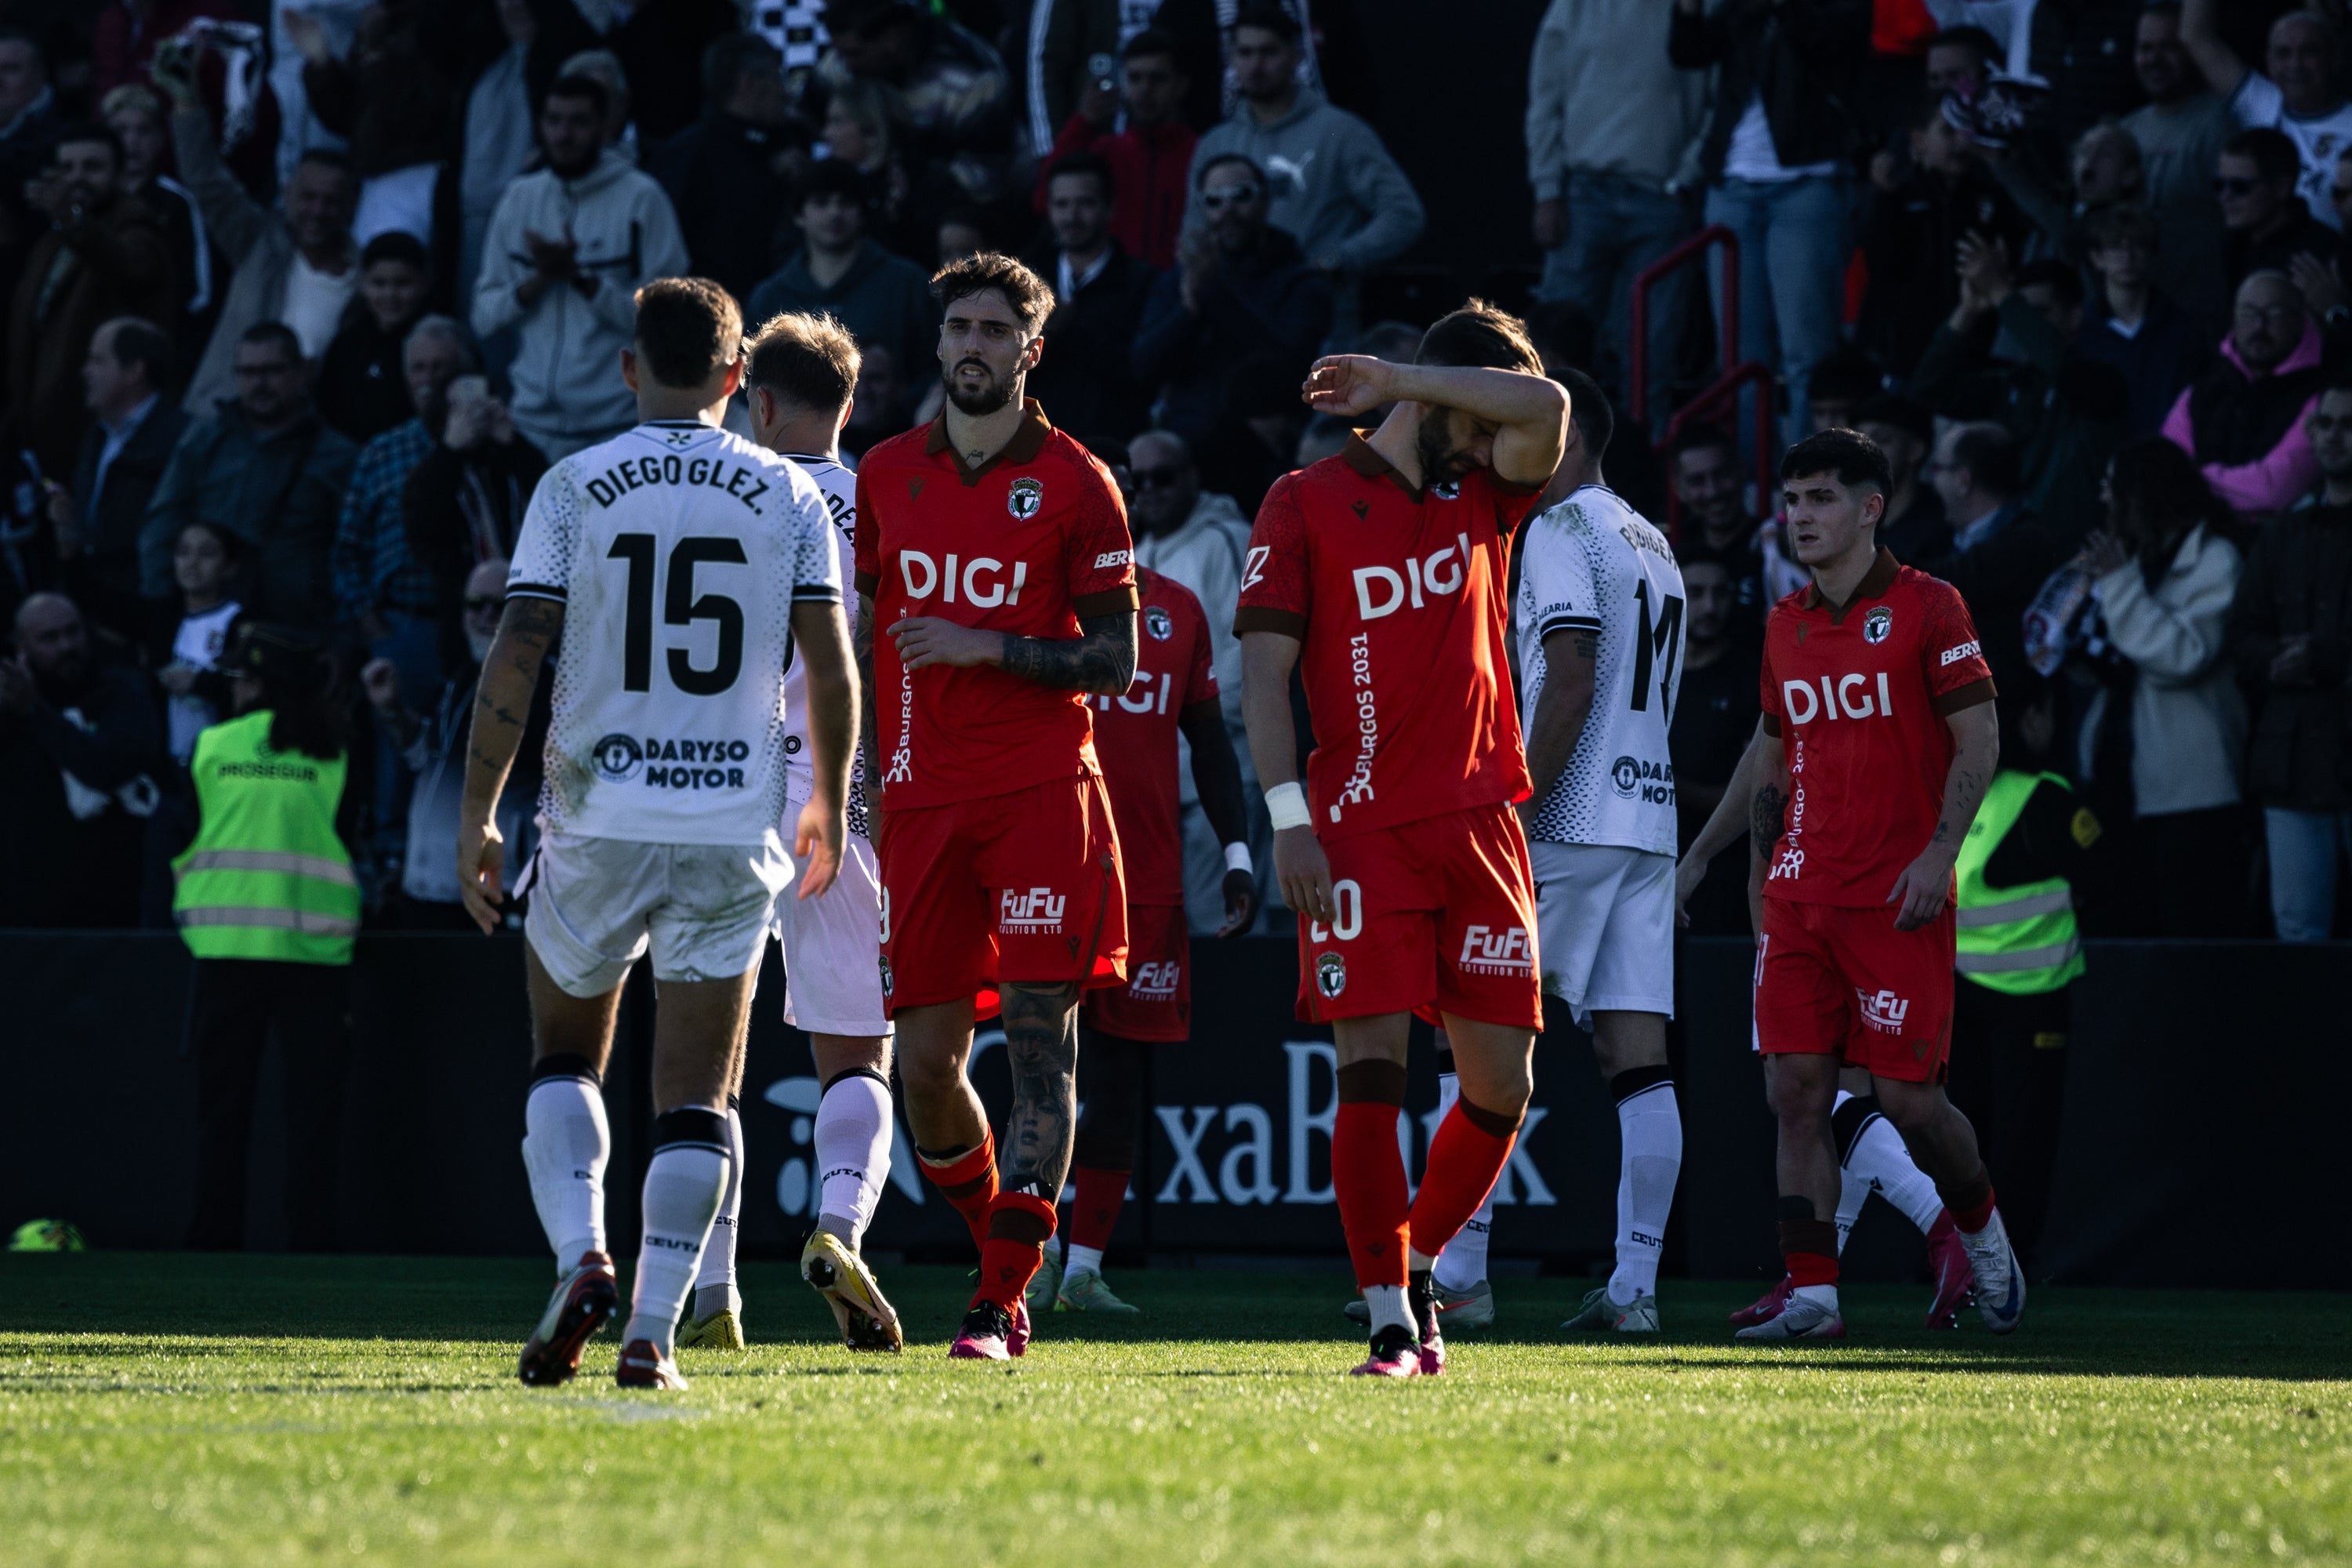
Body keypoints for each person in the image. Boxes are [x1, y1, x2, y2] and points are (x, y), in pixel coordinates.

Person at [456, 277, 855, 1391]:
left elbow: (519, 649)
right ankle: (652, 1333)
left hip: (596, 814)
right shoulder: (789, 496)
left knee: (566, 1055)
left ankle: (581, 1252)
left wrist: (478, 811)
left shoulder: (574, 486)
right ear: (740, 378)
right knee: (698, 1095)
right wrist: (822, 794)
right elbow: (831, 664)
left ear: (629, 368)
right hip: (731, 819)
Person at [1236, 303, 1568, 1376]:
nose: (1489, 442)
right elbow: (1264, 682)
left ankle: (1414, 1262)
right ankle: (1388, 1314)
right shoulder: (1303, 502)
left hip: (1481, 826)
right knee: (1372, 1071)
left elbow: (1548, 408)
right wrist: (1290, 823)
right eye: (1468, 417)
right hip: (1358, 829)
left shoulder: (1484, 491)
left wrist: (1412, 383)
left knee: (1501, 1088)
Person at [851, 253, 1139, 1362]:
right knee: (923, 1067)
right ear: (937, 344)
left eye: (993, 329)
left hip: (1040, 797)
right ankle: (1001, 1257)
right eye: (957, 327)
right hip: (920, 804)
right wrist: (864, 771)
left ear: (1031, 350)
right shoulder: (884, 472)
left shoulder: (1078, 481)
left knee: (1038, 1050)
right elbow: (867, 642)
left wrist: (985, 647)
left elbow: (1113, 661)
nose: (972, 344)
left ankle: (996, 1301)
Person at [1733, 427, 2020, 1341]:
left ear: (1870, 507)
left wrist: (1940, 854)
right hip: (1801, 892)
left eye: (1821, 498)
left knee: (1909, 1103)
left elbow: (1979, 738)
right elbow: (1775, 756)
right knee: (1797, 1091)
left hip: (1898, 896)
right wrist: (1757, 875)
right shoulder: (1784, 621)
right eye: (1792, 499)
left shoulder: (1932, 607)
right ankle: (1814, 1291)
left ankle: (1982, 1230)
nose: (1800, 516)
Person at [1439, 371, 1686, 1334]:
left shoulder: (1555, 529)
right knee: (1639, 1061)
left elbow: (1572, 674)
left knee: (1484, 1033)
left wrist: (1514, 798)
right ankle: (1636, 1287)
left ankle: (1458, 1269)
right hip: (1648, 819)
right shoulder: (1651, 537)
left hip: (1568, 820)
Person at [681, 310, 906, 1356]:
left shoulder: (711, 499)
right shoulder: (889, 504)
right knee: (857, 1048)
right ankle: (838, 1223)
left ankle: (711, 1287)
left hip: (714, 789)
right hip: (841, 791)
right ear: (848, 403)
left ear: (757, 402)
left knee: (706, 1055)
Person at [174, 621, 358, 1252]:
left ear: (254, 684)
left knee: (222, 1115)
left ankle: (211, 1242)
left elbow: (180, 840)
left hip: (226, 955)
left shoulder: (212, 746)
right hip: (317, 958)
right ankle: (312, 1245)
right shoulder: (336, 751)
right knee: (312, 1118)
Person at [1669, 0, 1869, 443]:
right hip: (1732, 184)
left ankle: (1808, 483)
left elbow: (1832, 41)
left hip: (1807, 180)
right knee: (1739, 360)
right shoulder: (1741, 11)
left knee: (1807, 354)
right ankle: (1750, 490)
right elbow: (1689, 51)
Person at [1946, 686, 2093, 1274]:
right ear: (2028, 718)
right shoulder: (2047, 799)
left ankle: (1951, 1258)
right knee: (2022, 1142)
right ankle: (2007, 1265)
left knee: (1961, 1134)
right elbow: (2110, 876)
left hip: (1957, 991)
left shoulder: (1953, 793)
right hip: (2034, 997)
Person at [2076, 437, 2248, 938]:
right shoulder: (2133, 559)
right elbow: (2119, 656)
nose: (2104, 500)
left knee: (2190, 934)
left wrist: (2120, 584)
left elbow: (2182, 656)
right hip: (2118, 776)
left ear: (2143, 493)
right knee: (2124, 929)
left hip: (2190, 793)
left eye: (2113, 487)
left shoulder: (2215, 560)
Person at [470, 74, 690, 461]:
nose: (563, 134)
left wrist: (582, 281)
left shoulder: (643, 199)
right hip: (529, 429)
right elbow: (484, 317)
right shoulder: (519, 198)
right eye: (553, 121)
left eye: (578, 122)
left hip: (616, 429)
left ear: (606, 127)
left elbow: (669, 327)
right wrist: (540, 279)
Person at [1523, 0, 1706, 432]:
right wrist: (1548, 190)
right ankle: (1546, 474)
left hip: (1662, 197)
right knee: (1556, 354)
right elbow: (1544, 101)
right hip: (1584, 193)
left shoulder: (1695, 7)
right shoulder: (1573, 8)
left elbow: (1719, 100)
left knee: (1649, 358)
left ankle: (1641, 481)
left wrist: (1684, 178)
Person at [1183, 5, 1421, 335]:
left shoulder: (1340, 132)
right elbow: (1192, 233)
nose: (1256, 65)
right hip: (1231, 326)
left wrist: (1339, 260)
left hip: (1321, 325)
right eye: (1245, 53)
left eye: (1268, 52)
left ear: (1297, 54)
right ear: (1232, 58)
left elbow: (1404, 214)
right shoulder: (1216, 143)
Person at [333, 315, 473, 875]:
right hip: (402, 630)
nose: (429, 379)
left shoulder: (488, 449)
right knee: (395, 765)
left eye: (442, 368)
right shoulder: (381, 454)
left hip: (473, 633)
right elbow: (346, 552)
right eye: (419, 367)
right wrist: (373, 625)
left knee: (466, 760)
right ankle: (392, 869)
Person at [1121, 428, 1264, 932]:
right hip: (1156, 787)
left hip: (1223, 771)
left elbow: (1250, 660)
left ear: (1194, 478)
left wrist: (1178, 705)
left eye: (1164, 477)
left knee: (1214, 929)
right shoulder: (1140, 554)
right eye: (1139, 482)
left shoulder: (1225, 539)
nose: (1151, 489)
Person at [2230, 383, 2352, 942]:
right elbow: (2241, 636)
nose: (2334, 435)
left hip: (2313, 743)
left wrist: (2324, 657)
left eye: (2346, 424)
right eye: (2325, 423)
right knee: (2298, 930)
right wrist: (2276, 661)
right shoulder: (2283, 537)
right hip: (2294, 761)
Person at [140, 321, 360, 630]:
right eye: (248, 372)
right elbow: (164, 523)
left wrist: (343, 638)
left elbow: (355, 552)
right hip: (208, 623)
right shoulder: (204, 441)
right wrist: (162, 611)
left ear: (301, 373)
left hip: (296, 628)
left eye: (272, 371)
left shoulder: (337, 457)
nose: (260, 383)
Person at [1911, 246, 2130, 549]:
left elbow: (2062, 367)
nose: (2023, 324)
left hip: (2080, 553)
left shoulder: (2102, 380)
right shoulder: (2014, 385)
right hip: (2016, 551)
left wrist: (2003, 294)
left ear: (2075, 315)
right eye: (2019, 313)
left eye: (2039, 313)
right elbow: (1928, 389)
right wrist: (1968, 310)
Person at [362, 557, 538, 930]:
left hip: (489, 896)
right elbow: (433, 761)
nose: (486, 616)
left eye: (500, 605)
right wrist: (393, 711)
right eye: (476, 605)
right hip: (429, 892)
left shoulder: (540, 685)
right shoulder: (463, 679)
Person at [3, 123, 179, 490]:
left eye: (92, 168)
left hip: (99, 439)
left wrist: (71, 220)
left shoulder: (137, 225)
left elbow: (130, 267)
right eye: (67, 169)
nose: (77, 178)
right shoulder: (51, 240)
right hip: (41, 448)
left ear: (119, 173)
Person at [1132, 152, 1333, 447]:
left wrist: (1210, 294)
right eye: (1214, 200)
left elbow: (1291, 365)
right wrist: (1189, 310)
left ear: (1265, 201)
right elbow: (1143, 367)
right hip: (1190, 449)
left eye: (1242, 195)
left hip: (1265, 452)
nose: (1228, 209)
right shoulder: (1179, 280)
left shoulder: (1301, 281)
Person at [0, 591, 165, 930]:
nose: (66, 646)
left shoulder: (122, 691)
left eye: (73, 632)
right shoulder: (7, 707)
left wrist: (34, 711)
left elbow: (108, 765)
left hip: (109, 900)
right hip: (25, 906)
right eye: (49, 638)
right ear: (22, 648)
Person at [744, 161, 937, 421]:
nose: (835, 213)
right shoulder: (769, 297)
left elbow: (935, 368)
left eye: (846, 203)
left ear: (862, 212)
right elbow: (751, 381)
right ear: (799, 215)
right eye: (821, 202)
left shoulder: (907, 283)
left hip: (892, 438)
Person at [402, 373, 550, 677]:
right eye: (461, 407)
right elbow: (424, 530)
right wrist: (450, 450)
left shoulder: (515, 463)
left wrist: (513, 443)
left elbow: (558, 506)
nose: (474, 414)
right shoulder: (431, 474)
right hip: (466, 624)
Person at [49, 316, 186, 637]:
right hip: (97, 614)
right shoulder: (95, 437)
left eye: (97, 360)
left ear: (135, 370)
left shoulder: (180, 439)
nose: (85, 372)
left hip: (147, 618)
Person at [1021, 151, 1157, 458]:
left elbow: (1143, 370)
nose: (1072, 217)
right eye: (1062, 205)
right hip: (1036, 450)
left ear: (1110, 209)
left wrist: (1066, 332)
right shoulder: (1023, 283)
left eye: (1086, 203)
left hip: (1114, 449)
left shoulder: (1143, 283)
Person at [648, 34, 800, 307]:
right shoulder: (685, 157)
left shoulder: (792, 146)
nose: (785, 92)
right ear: (748, 82)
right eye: (779, 78)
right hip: (710, 323)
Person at [810, 0, 1014, 202]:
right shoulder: (844, 63)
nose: (846, 65)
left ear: (890, 40)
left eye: (854, 54)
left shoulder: (970, 82)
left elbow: (986, 175)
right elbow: (807, 112)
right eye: (839, 53)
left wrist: (914, 184)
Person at [2161, 270, 2324, 521]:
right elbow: (2162, 473)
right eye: (2248, 314)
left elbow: (2275, 490)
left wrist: (2191, 482)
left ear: (2300, 322)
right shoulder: (2201, 391)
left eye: (2275, 315)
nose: (2260, 326)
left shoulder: (2323, 397)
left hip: (2278, 550)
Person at [1916, 422, 2065, 695]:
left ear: (1964, 480)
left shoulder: (2026, 543)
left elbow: (1951, 580)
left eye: (1937, 469)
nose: (1932, 480)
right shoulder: (1943, 538)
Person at [2182, 0, 2352, 232]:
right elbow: (2195, 36)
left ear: (2335, 58)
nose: (2296, 64)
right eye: (2284, 53)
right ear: (2270, 63)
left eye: (2309, 52)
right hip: (2264, 259)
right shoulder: (2263, 102)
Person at [1033, 28, 1195, 272]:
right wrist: (1084, 123)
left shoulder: (1200, 152)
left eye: (1157, 78)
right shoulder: (1106, 151)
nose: (1145, 89)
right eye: (1135, 78)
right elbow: (1045, 200)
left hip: (1175, 294)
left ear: (1181, 85)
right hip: (1117, 293)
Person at [1667, 556, 1760, 935]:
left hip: (1726, 873)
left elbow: (1757, 789)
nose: (1709, 607)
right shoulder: (1651, 674)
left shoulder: (1750, 677)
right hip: (1652, 861)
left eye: (1720, 594)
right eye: (1696, 593)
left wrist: (1670, 788)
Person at [2119, 2, 2231, 318]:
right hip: (2138, 316)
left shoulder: (2219, 123)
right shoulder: (2125, 130)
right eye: (2145, 48)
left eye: (2169, 47)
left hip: (2198, 312)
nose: (2154, 60)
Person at [2077, 203, 2212, 439]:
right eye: (2115, 245)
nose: (2127, 255)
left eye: (2137, 245)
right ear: (2097, 258)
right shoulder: (2080, 332)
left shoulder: (2185, 329)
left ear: (2153, 253)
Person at [100, 84, 214, 354]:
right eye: (121, 131)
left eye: (144, 130)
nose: (132, 142)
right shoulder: (95, 200)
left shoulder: (176, 202)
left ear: (161, 138)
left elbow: (200, 291)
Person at [314, 231, 430, 445]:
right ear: (363, 284)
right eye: (379, 283)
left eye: (402, 283)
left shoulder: (439, 343)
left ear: (423, 283)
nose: (390, 295)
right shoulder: (347, 343)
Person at [2214, 128, 2348, 293]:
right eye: (2219, 185)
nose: (2225, 196)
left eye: (2240, 186)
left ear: (2281, 187)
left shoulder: (2324, 256)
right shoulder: (2227, 245)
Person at [158, 519, 242, 766]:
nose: (192, 563)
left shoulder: (238, 621)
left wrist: (199, 684)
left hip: (220, 761)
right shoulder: (164, 618)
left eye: (206, 554)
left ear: (229, 566)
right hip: (172, 762)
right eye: (183, 552)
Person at [1853, 395, 1947, 564]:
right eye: (1859, 444)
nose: (1865, 453)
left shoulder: (1940, 526)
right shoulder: (1853, 521)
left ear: (1915, 450)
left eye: (1881, 440)